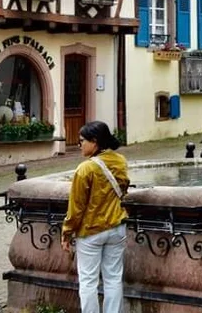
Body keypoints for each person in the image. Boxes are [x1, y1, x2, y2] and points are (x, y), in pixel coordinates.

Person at [60, 121, 129, 313]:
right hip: (117, 226)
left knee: (88, 281)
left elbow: (76, 208)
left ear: (95, 141)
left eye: (82, 140)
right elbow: (124, 189)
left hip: (91, 231)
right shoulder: (120, 161)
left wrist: (66, 233)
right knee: (114, 278)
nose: (79, 144)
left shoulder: (85, 169)